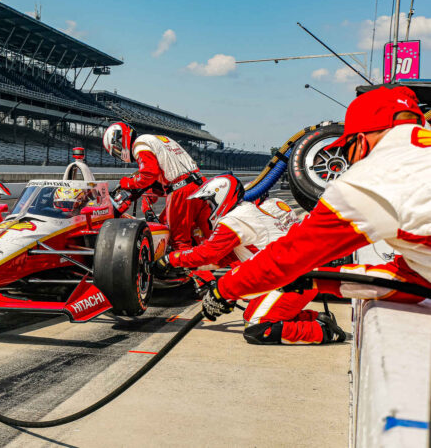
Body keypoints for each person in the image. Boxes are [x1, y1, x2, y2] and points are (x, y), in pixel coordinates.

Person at [202, 85, 431, 321]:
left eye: (346, 150)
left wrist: (225, 289)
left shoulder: (372, 177)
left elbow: (288, 257)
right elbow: (415, 280)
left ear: (361, 140)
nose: (349, 162)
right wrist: (314, 281)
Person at [154, 174, 345, 344]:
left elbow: (208, 253)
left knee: (258, 329)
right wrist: (191, 269)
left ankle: (323, 331)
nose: (205, 208)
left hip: (291, 279)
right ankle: (316, 319)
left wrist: (171, 259)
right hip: (300, 273)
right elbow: (224, 259)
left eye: (207, 203)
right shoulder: (258, 210)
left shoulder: (234, 220)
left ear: (220, 199)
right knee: (250, 314)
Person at [102, 122, 211, 250]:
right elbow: (157, 181)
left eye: (116, 150)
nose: (119, 154)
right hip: (200, 184)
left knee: (178, 242)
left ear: (120, 140)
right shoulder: (157, 140)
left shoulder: (139, 145)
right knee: (210, 236)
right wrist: (147, 208)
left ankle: (190, 269)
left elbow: (148, 174)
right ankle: (232, 266)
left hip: (182, 190)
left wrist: (126, 183)